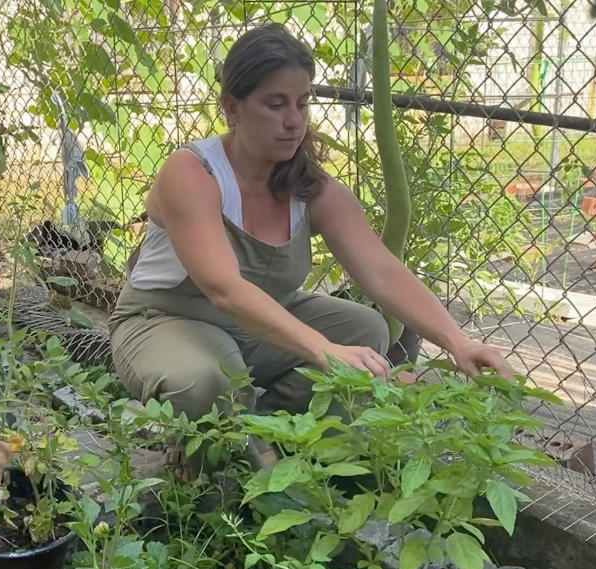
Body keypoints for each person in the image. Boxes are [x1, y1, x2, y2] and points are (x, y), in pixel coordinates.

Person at [109, 23, 513, 426]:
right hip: (166, 321)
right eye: (276, 104)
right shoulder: (193, 173)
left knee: (366, 329)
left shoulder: (310, 188)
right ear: (232, 107)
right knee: (205, 379)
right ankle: (206, 449)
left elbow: (383, 272)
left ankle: (271, 434)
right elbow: (224, 289)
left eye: (302, 104)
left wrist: (458, 342)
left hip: (257, 328)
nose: (293, 121)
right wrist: (322, 349)